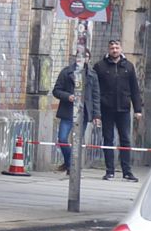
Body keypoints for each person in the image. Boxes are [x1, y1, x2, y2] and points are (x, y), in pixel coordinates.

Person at [90, 39, 143, 181]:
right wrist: (96, 112)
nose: (114, 50)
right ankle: (109, 171)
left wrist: (138, 109)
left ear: (121, 49)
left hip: (124, 109)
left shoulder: (129, 67)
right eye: (112, 47)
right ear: (108, 49)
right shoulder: (100, 66)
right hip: (106, 109)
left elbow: (135, 89)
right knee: (108, 139)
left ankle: (127, 171)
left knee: (125, 139)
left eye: (117, 47)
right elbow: (94, 90)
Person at [49, 61, 81, 172]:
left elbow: (95, 94)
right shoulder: (67, 72)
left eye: (86, 57)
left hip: (83, 113)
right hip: (68, 111)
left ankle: (72, 167)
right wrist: (68, 96)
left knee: (78, 142)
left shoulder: (91, 74)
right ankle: (69, 163)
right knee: (62, 139)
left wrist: (96, 114)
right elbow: (56, 91)